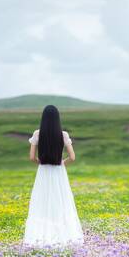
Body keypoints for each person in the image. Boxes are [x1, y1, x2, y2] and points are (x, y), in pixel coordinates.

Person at [23, 104, 84, 247]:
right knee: (60, 201)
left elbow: (31, 157)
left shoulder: (37, 134)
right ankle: (63, 235)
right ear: (58, 118)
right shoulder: (63, 135)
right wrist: (62, 163)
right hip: (58, 171)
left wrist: (41, 162)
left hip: (43, 171)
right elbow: (73, 157)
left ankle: (41, 236)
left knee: (42, 201)